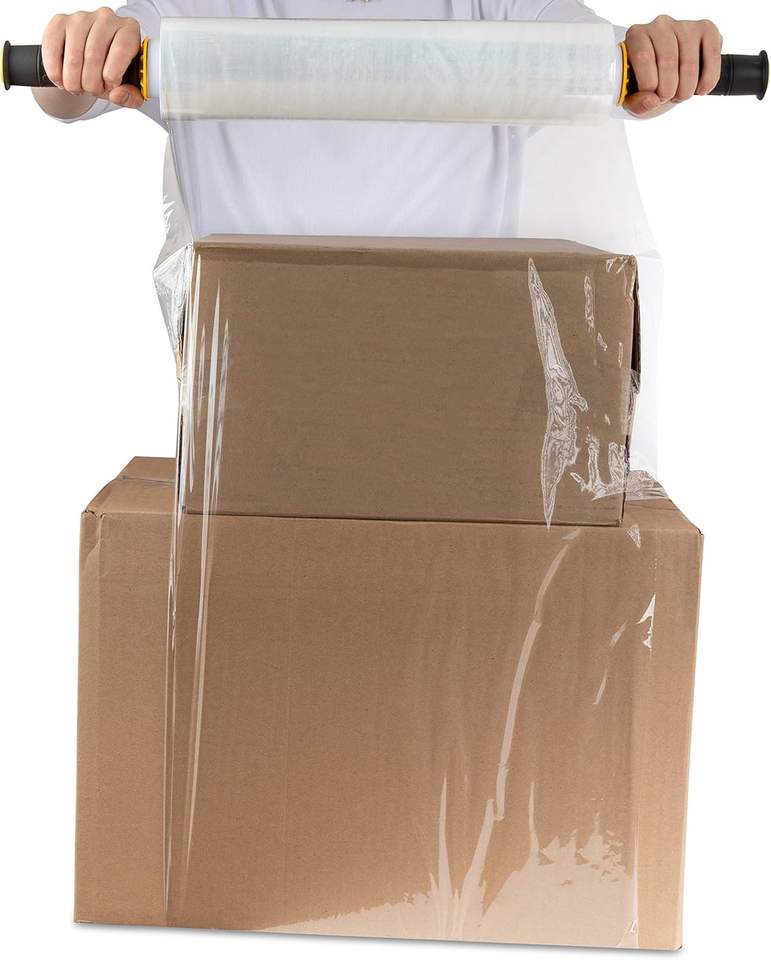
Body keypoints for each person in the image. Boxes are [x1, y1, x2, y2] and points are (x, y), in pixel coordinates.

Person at [32, 2, 724, 239]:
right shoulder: (198, 10)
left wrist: (667, 52)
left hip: (458, 363)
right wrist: (74, 49)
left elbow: (619, 68)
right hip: (251, 368)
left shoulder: (501, 7)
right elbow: (70, 95)